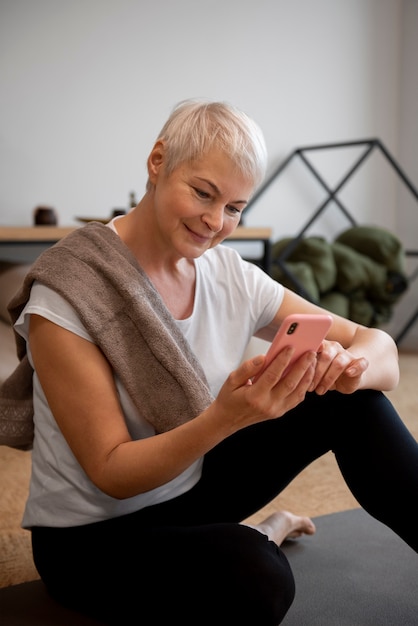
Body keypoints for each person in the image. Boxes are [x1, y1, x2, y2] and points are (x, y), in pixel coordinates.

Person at [9, 99, 418, 626]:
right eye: (203, 193)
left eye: (234, 207)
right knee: (259, 579)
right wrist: (227, 417)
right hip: (90, 539)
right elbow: (110, 470)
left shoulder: (230, 273)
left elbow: (381, 349)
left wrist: (347, 366)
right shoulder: (68, 291)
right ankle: (262, 535)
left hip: (187, 486)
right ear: (158, 162)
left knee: (353, 405)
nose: (214, 220)